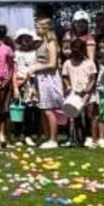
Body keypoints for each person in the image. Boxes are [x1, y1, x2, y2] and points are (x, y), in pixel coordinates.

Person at [32, 17, 63, 149]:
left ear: (46, 28)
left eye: (38, 27)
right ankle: (46, 137)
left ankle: (53, 139)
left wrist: (36, 68)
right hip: (40, 78)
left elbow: (52, 64)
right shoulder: (40, 43)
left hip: (49, 78)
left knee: (49, 110)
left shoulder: (51, 43)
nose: (36, 29)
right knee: (43, 109)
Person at [61, 37, 98, 147]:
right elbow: (64, 76)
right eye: (74, 48)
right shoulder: (68, 63)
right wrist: (68, 86)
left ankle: (89, 137)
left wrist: (88, 90)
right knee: (75, 116)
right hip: (74, 93)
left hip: (87, 93)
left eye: (79, 48)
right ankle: (78, 138)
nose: (76, 50)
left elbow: (93, 78)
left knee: (89, 115)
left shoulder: (89, 63)